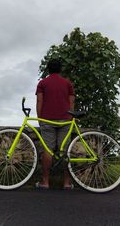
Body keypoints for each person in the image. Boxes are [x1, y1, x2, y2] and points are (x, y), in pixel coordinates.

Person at [35, 58, 75, 189]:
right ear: (60, 69)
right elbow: (71, 102)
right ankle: (67, 183)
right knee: (65, 150)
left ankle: (45, 182)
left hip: (47, 119)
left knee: (47, 149)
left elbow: (40, 101)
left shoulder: (43, 83)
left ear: (48, 69)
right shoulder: (67, 83)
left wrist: (40, 118)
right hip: (65, 119)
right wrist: (70, 117)